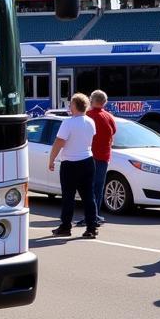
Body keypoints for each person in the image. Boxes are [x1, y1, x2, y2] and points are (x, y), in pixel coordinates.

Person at [48, 93, 99, 238]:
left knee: (68, 196)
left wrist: (51, 159)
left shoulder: (68, 123)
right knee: (89, 196)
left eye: (71, 104)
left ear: (75, 106)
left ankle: (65, 227)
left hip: (70, 163)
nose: (69, 106)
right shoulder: (90, 122)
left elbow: (59, 142)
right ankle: (91, 227)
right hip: (88, 161)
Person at [76, 90, 116, 227]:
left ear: (92, 100)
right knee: (98, 188)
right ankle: (96, 215)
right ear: (105, 102)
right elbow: (113, 132)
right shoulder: (109, 117)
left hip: (89, 156)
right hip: (104, 157)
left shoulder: (88, 116)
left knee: (88, 188)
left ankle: (89, 217)